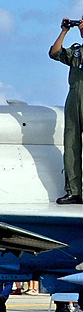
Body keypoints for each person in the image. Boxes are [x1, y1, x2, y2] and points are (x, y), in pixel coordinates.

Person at [50, 17, 83, 204]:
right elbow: (55, 53)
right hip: (74, 98)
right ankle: (74, 190)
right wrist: (64, 31)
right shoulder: (77, 51)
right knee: (71, 145)